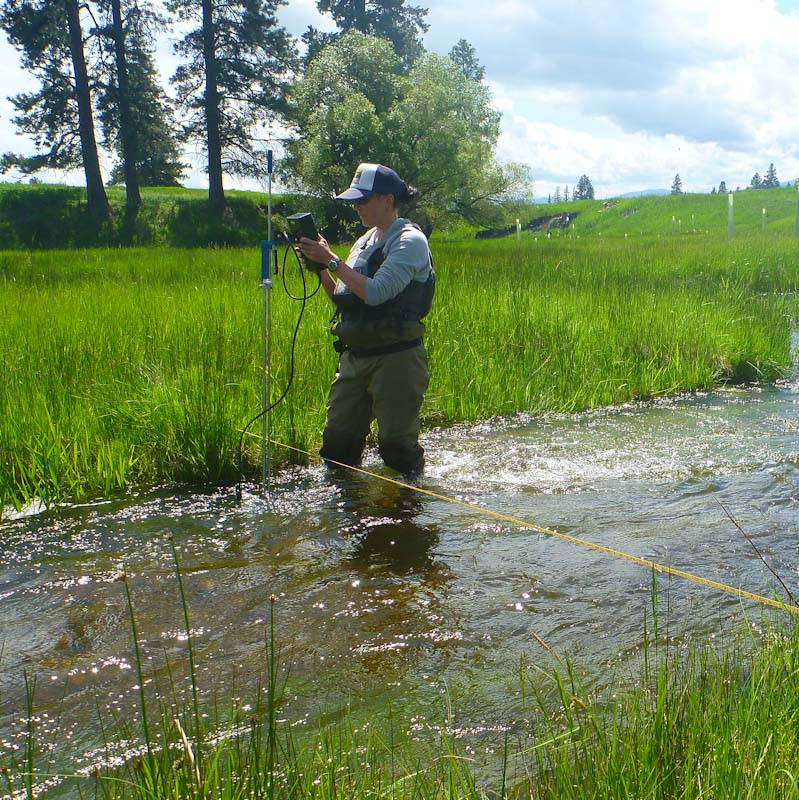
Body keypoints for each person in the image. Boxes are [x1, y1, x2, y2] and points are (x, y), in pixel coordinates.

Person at [297, 163, 435, 477]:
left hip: (396, 359)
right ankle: (347, 516)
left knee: (396, 449)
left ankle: (409, 512)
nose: (357, 207)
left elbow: (376, 292)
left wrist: (331, 260)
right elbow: (343, 298)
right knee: (337, 448)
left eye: (364, 200)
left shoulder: (410, 241)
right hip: (355, 357)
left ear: (388, 199)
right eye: (355, 201)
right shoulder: (364, 241)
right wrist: (319, 267)